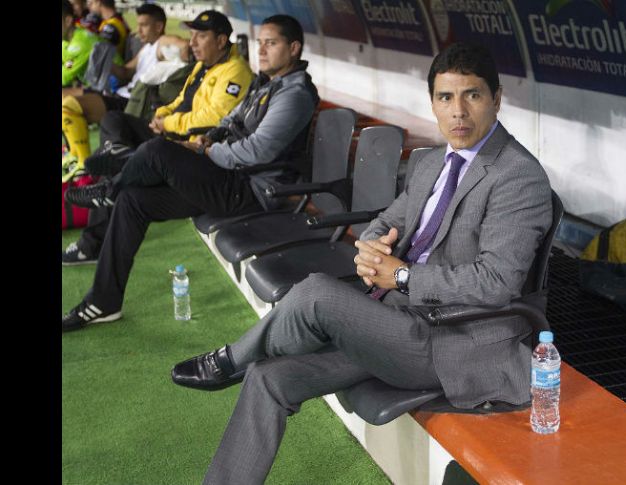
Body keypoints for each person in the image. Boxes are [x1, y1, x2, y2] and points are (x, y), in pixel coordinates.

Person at [169, 42, 553, 484]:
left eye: (473, 95)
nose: (458, 111)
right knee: (269, 377)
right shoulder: (433, 162)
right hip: (394, 324)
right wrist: (371, 247)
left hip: (452, 342)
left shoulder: (518, 175)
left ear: (496, 99)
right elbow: (387, 220)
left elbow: (497, 282)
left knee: (316, 294)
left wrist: (402, 275)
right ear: (432, 103)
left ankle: (228, 360)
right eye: (446, 97)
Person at [61, 15, 320, 332]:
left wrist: (206, 152)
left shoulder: (294, 94)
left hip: (251, 190)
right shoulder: (266, 82)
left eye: (272, 43)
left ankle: (111, 185)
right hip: (226, 177)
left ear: (293, 48)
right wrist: (207, 139)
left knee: (157, 150)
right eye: (261, 43)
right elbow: (230, 120)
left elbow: (257, 151)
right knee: (132, 200)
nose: (262, 50)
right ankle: (104, 301)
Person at [61, 10, 252, 266]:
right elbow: (180, 100)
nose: (193, 42)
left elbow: (214, 117)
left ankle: (91, 244)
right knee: (114, 120)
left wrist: (168, 123)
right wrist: (162, 114)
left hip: (185, 148)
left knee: (117, 167)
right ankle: (120, 153)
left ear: (221, 40)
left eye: (201, 36)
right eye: (192, 35)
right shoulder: (202, 66)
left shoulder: (236, 71)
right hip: (168, 134)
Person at [62, 3, 172, 171]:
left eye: (143, 25)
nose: (138, 30)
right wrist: (104, 62)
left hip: (132, 102)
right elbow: (125, 72)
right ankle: (75, 156)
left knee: (70, 104)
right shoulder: (146, 49)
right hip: (120, 96)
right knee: (68, 104)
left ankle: (83, 166)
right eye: (138, 24)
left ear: (159, 27)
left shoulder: (163, 45)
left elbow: (182, 44)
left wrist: (163, 38)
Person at [62, 0, 100, 88]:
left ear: (68, 21)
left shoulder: (80, 44)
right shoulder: (67, 38)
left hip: (110, 90)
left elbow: (64, 77)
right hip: (92, 86)